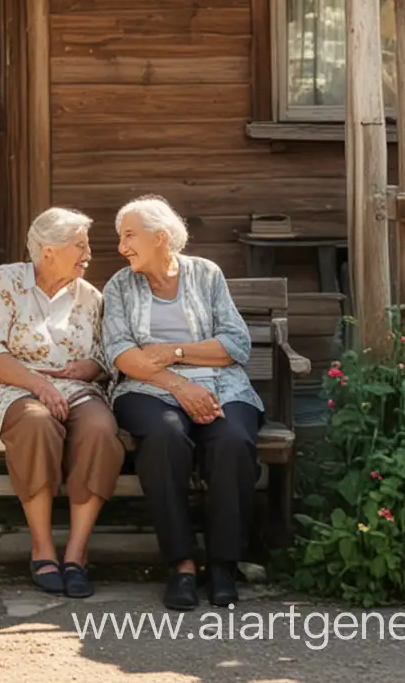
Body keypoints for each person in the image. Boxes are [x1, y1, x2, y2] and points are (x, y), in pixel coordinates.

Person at [101, 196, 264, 611]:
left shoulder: (206, 275)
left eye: (129, 236)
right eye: (120, 238)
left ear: (160, 237)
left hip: (222, 385)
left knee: (232, 440)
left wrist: (173, 352)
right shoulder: (120, 285)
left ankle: (224, 565)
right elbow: (122, 353)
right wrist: (179, 384)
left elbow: (235, 344)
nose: (122, 247)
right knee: (165, 437)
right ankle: (183, 565)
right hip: (147, 389)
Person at [0, 207, 124, 598]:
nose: (88, 254)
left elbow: (103, 358)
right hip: (8, 385)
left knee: (101, 430)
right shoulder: (8, 280)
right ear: (49, 250)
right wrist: (37, 384)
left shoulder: (90, 296)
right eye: (79, 246)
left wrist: (90, 367)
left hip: (73, 389)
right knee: (36, 423)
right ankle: (42, 547)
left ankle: (77, 553)